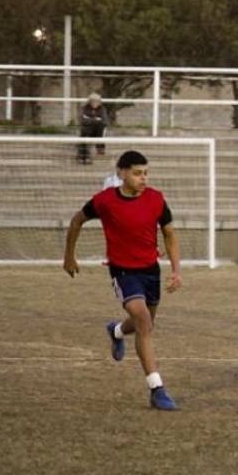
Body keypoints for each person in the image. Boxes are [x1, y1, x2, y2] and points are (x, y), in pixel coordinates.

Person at [62, 150, 182, 411]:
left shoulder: (156, 200)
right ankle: (157, 389)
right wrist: (68, 257)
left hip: (151, 270)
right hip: (123, 272)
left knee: (145, 323)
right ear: (122, 173)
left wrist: (176, 270)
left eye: (146, 173)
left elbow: (170, 234)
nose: (143, 178)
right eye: (138, 173)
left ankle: (116, 331)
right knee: (143, 320)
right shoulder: (105, 201)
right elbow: (76, 221)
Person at [78, 93, 108, 164]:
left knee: (101, 126)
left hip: (98, 130)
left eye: (97, 101)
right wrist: (96, 119)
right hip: (87, 129)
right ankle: (84, 156)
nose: (95, 103)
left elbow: (104, 121)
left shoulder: (102, 109)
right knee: (84, 132)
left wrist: (90, 119)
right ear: (89, 101)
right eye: (93, 101)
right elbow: (83, 120)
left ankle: (100, 147)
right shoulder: (85, 108)